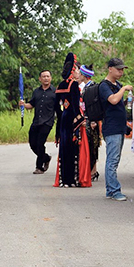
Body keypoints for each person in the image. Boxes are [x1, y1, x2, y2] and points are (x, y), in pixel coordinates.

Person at [98, 58, 133, 201]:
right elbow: (112, 100)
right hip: (111, 127)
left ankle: (110, 190)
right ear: (110, 69)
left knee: (115, 159)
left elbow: (117, 103)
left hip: (119, 127)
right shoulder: (104, 85)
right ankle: (114, 190)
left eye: (123, 69)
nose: (121, 72)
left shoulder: (117, 84)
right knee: (112, 160)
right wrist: (124, 89)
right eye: (118, 69)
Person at [53, 53, 87, 187]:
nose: (78, 72)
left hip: (62, 119)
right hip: (72, 119)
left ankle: (63, 180)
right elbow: (74, 105)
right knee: (73, 149)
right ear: (73, 71)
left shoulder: (60, 85)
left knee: (63, 148)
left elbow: (57, 107)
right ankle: (72, 180)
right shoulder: (73, 85)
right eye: (77, 70)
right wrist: (80, 120)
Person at [20, 69, 57, 175]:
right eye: (44, 76)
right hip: (36, 121)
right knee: (33, 144)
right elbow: (31, 105)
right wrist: (23, 104)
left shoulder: (55, 92)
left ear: (51, 78)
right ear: (40, 79)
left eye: (48, 76)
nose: (46, 78)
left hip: (47, 122)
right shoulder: (36, 91)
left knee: (40, 143)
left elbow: (58, 108)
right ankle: (46, 157)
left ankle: (39, 167)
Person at [76, 64, 101, 182]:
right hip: (85, 120)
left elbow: (94, 106)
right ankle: (91, 171)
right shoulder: (85, 87)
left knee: (92, 146)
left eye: (80, 74)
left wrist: (94, 120)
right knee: (87, 146)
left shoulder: (93, 88)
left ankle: (92, 171)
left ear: (84, 76)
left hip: (91, 121)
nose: (78, 75)